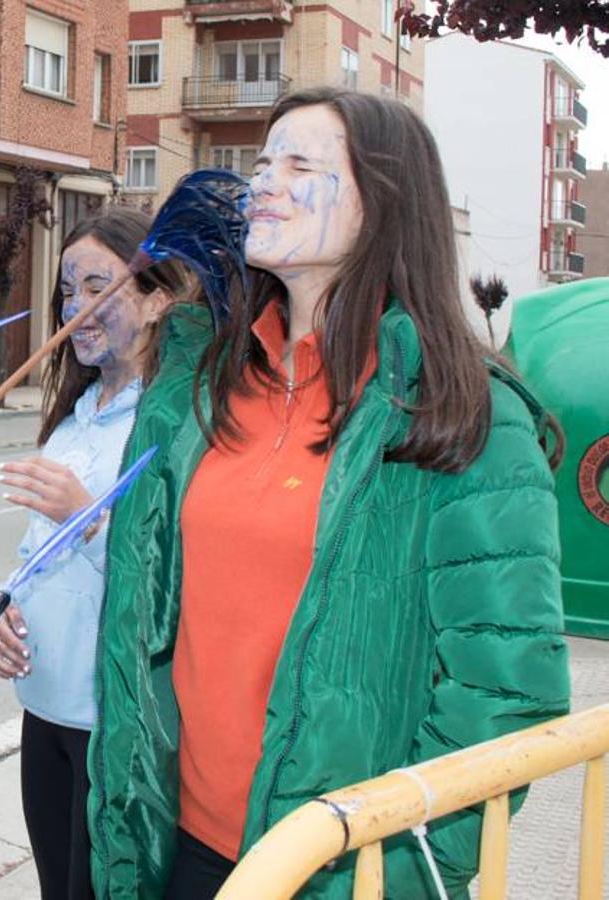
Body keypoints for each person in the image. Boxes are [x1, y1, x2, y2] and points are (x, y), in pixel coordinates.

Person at [87, 87, 570, 899]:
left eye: (299, 163)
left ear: (382, 202)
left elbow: (507, 690)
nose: (261, 184)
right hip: (177, 847)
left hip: (334, 867)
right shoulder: (203, 382)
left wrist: (394, 874)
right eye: (262, 161)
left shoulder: (462, 412)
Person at [0, 207, 190, 900]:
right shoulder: (76, 414)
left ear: (158, 298)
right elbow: (36, 547)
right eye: (68, 290)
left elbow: (177, 577)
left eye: (97, 285)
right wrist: (3, 603)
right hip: (46, 709)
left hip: (115, 721)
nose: (76, 308)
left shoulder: (174, 420)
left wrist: (90, 522)